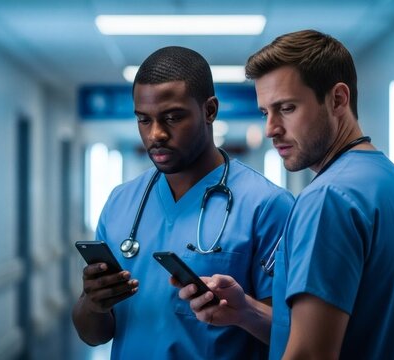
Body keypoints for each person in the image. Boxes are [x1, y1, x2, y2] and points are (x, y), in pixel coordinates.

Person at [176, 29, 394, 359]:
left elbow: (310, 354)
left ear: (337, 99)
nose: (271, 128)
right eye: (264, 112)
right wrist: (246, 312)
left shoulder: (328, 199)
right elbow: (342, 330)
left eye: (286, 108)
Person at [71, 46, 294, 359]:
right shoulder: (121, 203)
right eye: (144, 120)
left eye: (173, 117)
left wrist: (245, 312)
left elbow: (295, 336)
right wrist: (93, 304)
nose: (156, 134)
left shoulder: (267, 206)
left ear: (210, 111)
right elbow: (94, 335)